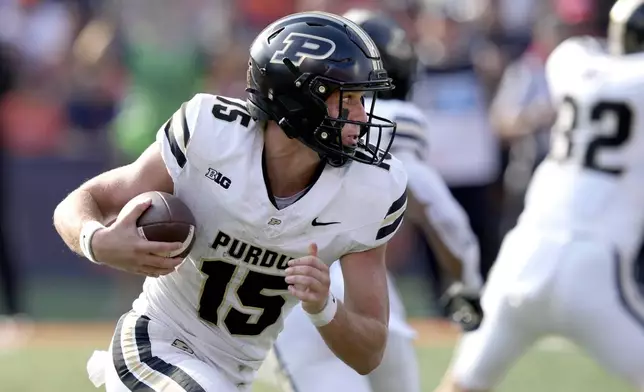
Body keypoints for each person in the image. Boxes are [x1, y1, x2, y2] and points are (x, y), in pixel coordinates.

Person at [52, 11, 408, 392]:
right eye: (348, 99)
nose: (362, 115)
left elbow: (369, 352)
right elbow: (83, 200)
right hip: (154, 345)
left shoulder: (370, 190)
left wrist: (324, 308)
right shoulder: (211, 134)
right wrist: (97, 241)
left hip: (231, 376)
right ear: (298, 99)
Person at [256, 9, 482, 392]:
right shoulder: (399, 122)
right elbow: (441, 213)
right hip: (355, 297)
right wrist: (467, 284)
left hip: (296, 289)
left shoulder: (256, 124)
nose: (360, 117)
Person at [435, 1, 644, 391]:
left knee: (463, 384)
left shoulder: (572, 61)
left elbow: (579, 52)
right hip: (596, 264)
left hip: (524, 254)